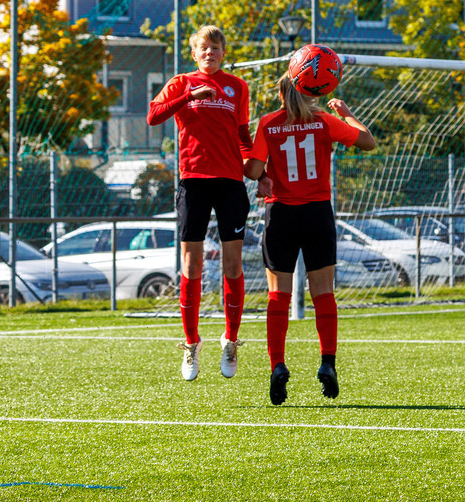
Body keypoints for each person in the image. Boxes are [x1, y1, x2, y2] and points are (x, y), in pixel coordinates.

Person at [243, 75, 376, 405]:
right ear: (312, 89)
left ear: (280, 92)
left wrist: (264, 172)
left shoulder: (270, 122)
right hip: (317, 211)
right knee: (323, 292)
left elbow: (253, 169)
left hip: (281, 215)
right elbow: (368, 142)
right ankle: (327, 363)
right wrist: (345, 112)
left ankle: (277, 365)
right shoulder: (324, 121)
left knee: (278, 295)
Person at [148, 25, 262, 381]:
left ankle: (230, 338)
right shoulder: (181, 83)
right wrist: (188, 96)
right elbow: (153, 116)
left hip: (230, 182)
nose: (209, 53)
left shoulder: (237, 87)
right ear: (194, 54)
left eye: (215, 47)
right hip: (194, 181)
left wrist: (259, 170)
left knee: (232, 264)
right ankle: (191, 343)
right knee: (192, 263)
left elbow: (243, 136)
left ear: (223, 53)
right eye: (203, 48)